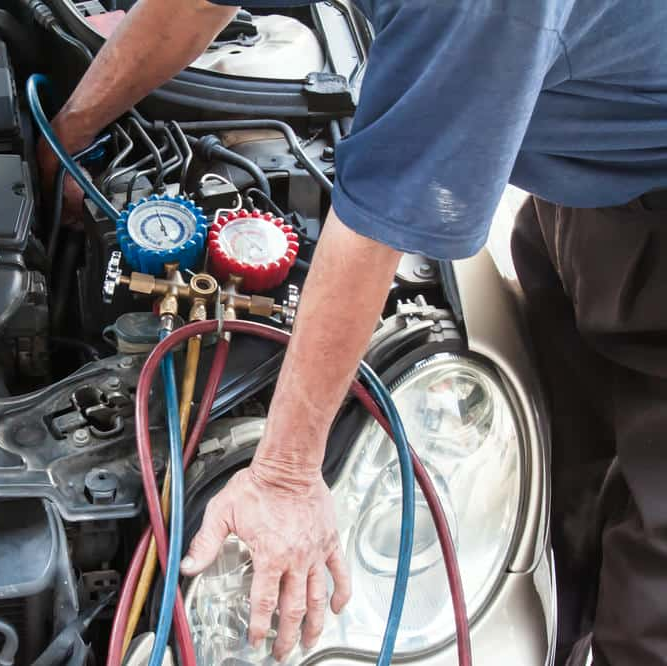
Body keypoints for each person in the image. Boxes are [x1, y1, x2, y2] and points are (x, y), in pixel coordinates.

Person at [37, 1, 667, 663]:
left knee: (655, 570)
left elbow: (378, 226)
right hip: (593, 177)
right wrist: (66, 140)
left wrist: (284, 477)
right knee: (564, 466)